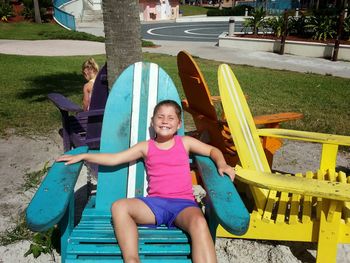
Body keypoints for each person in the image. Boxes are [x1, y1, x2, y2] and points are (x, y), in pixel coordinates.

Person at [57, 100, 235, 263]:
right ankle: (132, 259)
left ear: (179, 124)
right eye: (161, 117)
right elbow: (115, 158)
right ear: (153, 121)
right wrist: (85, 155)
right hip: (155, 204)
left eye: (171, 118)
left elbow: (213, 150)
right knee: (119, 206)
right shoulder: (146, 147)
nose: (165, 121)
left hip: (184, 204)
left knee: (199, 223)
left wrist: (223, 164)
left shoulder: (186, 142)